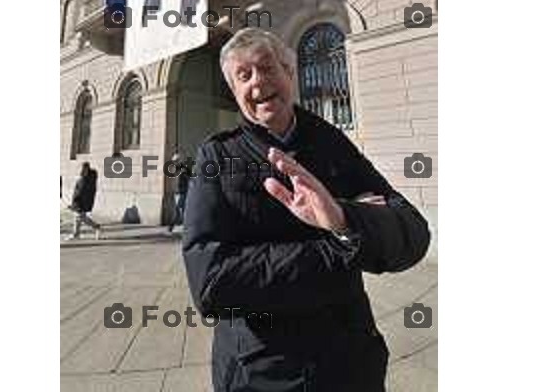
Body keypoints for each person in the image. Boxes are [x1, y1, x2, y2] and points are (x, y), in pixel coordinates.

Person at [182, 29, 431, 392]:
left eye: (267, 68)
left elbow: (413, 233)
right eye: (244, 75)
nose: (258, 82)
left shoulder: (330, 141)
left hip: (349, 366)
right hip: (260, 373)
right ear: (234, 92)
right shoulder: (216, 156)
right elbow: (211, 283)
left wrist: (344, 219)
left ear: (289, 72)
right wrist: (341, 245)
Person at [67, 162, 101, 241]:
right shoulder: (88, 179)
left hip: (81, 202)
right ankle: (76, 234)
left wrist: (74, 203)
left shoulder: (85, 179)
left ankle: (96, 227)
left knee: (80, 217)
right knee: (78, 217)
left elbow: (79, 192)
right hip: (83, 202)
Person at [168, 151, 189, 232]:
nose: (174, 162)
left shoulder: (184, 168)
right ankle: (183, 226)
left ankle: (173, 226)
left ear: (180, 160)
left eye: (176, 160)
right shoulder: (174, 168)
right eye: (174, 161)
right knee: (179, 210)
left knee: (180, 209)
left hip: (183, 191)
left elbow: (189, 179)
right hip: (177, 191)